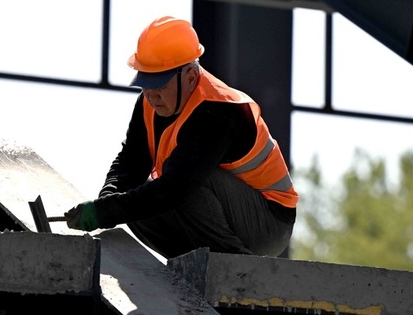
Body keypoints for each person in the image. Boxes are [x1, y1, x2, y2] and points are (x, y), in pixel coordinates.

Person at [64, 16, 297, 259]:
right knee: (134, 201)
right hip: (222, 211)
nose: (151, 95)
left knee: (185, 187)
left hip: (269, 222)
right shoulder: (148, 103)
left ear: (190, 77)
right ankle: (192, 266)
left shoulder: (219, 109)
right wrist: (105, 203)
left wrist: (107, 211)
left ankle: (236, 265)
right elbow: (131, 162)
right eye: (145, 83)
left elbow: (178, 187)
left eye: (160, 85)